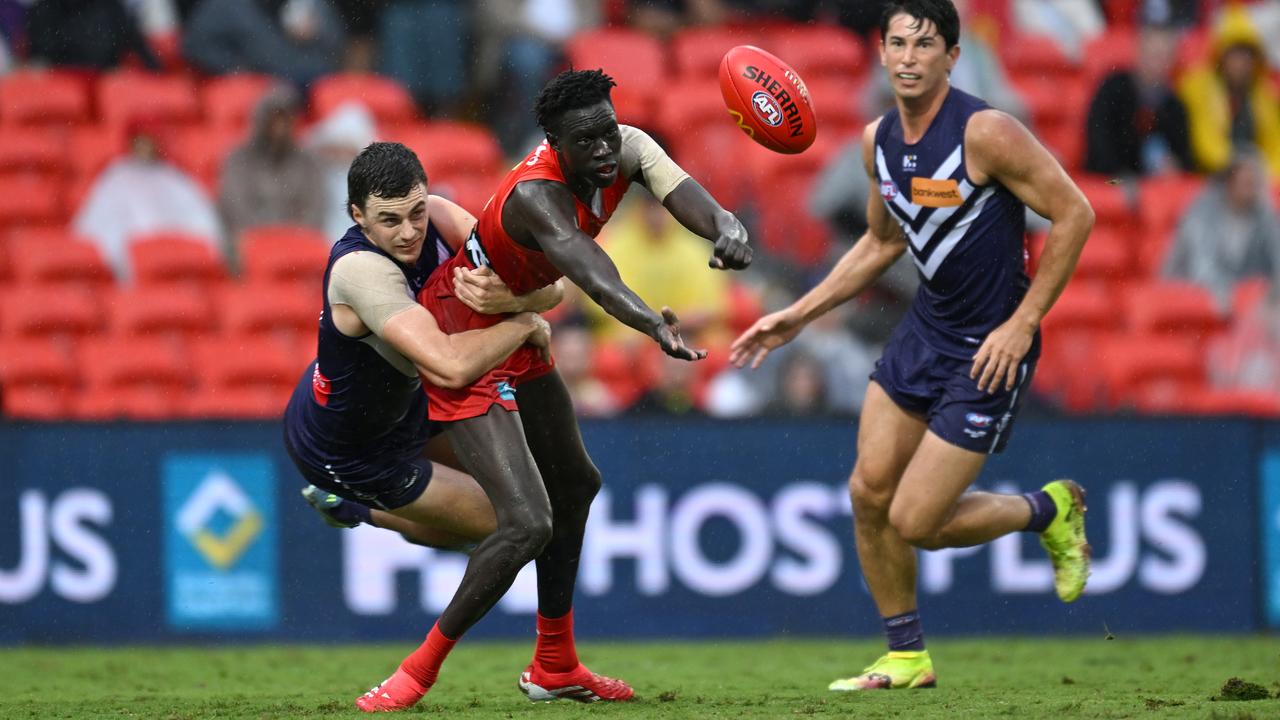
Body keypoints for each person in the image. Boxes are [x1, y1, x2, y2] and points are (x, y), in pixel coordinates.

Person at [354, 68, 751, 711]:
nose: (602, 150)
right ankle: (416, 672)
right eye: (585, 141)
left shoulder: (626, 144)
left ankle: (555, 665)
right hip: (462, 340)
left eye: (606, 132)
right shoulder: (536, 195)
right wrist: (654, 323)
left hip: (517, 330)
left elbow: (681, 191)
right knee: (527, 522)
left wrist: (725, 224)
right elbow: (590, 272)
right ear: (553, 141)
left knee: (575, 486)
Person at [730, 0, 1094, 691]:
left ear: (952, 58)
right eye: (896, 42)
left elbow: (1077, 211)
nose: (907, 56)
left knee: (918, 521)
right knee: (867, 491)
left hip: (991, 345)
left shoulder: (988, 132)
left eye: (924, 44)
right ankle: (906, 655)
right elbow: (881, 242)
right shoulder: (877, 142)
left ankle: (1051, 509)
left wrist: (1022, 325)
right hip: (925, 331)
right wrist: (797, 315)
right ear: (880, 52)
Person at [283, 141, 565, 559]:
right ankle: (351, 506)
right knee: (512, 521)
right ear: (358, 216)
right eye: (390, 220)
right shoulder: (360, 270)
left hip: (412, 406)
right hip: (351, 448)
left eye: (415, 212)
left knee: (534, 494)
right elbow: (450, 366)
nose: (410, 231)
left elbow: (552, 287)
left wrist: (513, 300)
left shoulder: (439, 215)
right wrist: (523, 323)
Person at [73, 119, 224, 281]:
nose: (145, 147)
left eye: (149, 141)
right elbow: (96, 229)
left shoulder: (174, 178)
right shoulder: (116, 177)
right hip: (131, 270)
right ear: (131, 143)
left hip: (174, 263)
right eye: (141, 141)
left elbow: (203, 223)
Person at [1163, 148, 1280, 310]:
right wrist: (1233, 295)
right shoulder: (1203, 210)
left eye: (1254, 184)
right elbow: (1201, 269)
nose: (1251, 191)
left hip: (1243, 301)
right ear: (1229, 182)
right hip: (1190, 293)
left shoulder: (1264, 214)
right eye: (1245, 183)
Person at [219, 84, 327, 249]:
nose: (280, 128)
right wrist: (268, 238)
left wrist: (292, 236)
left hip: (296, 243)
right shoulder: (238, 160)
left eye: (286, 120)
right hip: (251, 242)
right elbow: (235, 208)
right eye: (274, 120)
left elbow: (315, 208)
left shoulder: (308, 162)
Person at [1178, 4, 1280, 177]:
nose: (1242, 63)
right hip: (1211, 180)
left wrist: (1266, 177)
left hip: (1254, 181)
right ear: (1222, 55)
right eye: (1236, 54)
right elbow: (1205, 146)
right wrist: (1239, 171)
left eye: (1247, 55)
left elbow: (1275, 145)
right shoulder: (1197, 87)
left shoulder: (1264, 94)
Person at [1083, 22, 1192, 177]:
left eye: (1164, 56)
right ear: (1138, 53)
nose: (1157, 63)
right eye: (1152, 55)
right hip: (1108, 181)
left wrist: (1174, 167)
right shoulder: (1113, 88)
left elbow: (1185, 159)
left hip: (1151, 187)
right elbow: (1098, 144)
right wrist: (1123, 176)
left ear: (1173, 61)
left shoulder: (1175, 106)